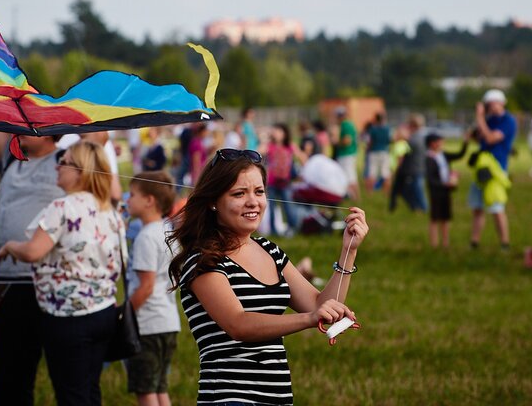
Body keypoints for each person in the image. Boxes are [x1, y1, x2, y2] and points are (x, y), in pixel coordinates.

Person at [167, 148, 369, 405]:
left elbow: (321, 306)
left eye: (259, 191)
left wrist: (348, 250)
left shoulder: (269, 250)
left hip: (277, 397)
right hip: (231, 399)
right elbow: (238, 324)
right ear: (213, 201)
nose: (253, 202)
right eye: (239, 194)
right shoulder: (203, 260)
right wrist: (308, 319)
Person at [0, 140, 123, 406]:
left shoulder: (62, 207)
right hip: (103, 311)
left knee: (71, 394)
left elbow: (33, 252)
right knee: (89, 390)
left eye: (64, 163)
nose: (58, 167)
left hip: (68, 315)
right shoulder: (109, 212)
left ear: (81, 171)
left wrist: (11, 246)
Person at [0, 132, 64, 406]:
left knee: (66, 378)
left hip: (47, 282)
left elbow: (98, 139)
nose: (17, 131)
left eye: (28, 126)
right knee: (8, 373)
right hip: (8, 281)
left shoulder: (64, 160)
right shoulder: (12, 158)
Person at [125, 171, 180, 406]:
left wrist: (123, 315)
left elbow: (145, 287)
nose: (127, 199)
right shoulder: (168, 232)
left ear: (149, 201)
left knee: (145, 390)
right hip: (168, 322)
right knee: (159, 388)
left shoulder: (146, 237)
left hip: (147, 325)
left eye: (133, 194)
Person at [469, 89, 516, 250]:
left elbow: (490, 137)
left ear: (502, 103)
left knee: (496, 209)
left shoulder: (508, 121)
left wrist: (480, 117)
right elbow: (475, 137)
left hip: (496, 169)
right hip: (482, 167)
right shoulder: (488, 120)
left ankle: (504, 243)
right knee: (477, 208)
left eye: (494, 103)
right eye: (489, 104)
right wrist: (480, 122)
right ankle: (474, 242)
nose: (492, 107)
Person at [425, 132, 468, 249]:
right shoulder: (428, 158)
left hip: (446, 191)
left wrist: (465, 142)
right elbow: (430, 179)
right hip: (436, 191)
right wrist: (444, 183)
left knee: (445, 217)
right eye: (439, 141)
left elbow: (459, 155)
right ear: (432, 143)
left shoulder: (442, 155)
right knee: (435, 218)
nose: (442, 143)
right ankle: (434, 244)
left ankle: (445, 243)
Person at [392, 114, 428, 214]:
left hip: (413, 169)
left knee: (415, 191)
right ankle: (418, 209)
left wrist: (401, 136)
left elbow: (402, 148)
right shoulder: (422, 136)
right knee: (416, 191)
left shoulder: (414, 138)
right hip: (419, 168)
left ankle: (423, 209)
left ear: (412, 125)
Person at [332, 106, 359, 200]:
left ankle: (355, 198)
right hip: (349, 154)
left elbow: (347, 140)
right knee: (350, 177)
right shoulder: (349, 124)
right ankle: (354, 198)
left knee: (350, 178)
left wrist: (336, 142)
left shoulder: (345, 125)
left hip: (346, 154)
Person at [364, 112, 392, 193]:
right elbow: (389, 140)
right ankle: (386, 192)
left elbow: (369, 142)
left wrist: (367, 150)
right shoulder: (387, 128)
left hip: (374, 151)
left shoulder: (372, 129)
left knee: (372, 173)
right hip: (384, 151)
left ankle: (370, 192)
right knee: (385, 174)